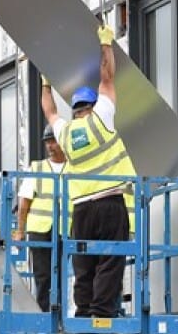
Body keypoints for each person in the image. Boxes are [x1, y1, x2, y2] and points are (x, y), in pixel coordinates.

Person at [40, 24, 136, 318]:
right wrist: (105, 43)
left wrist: (46, 84)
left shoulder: (66, 133)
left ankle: (83, 311)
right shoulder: (102, 119)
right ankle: (102, 311)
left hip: (80, 209)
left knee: (83, 261)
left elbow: (49, 111)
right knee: (110, 259)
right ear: (92, 105)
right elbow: (107, 77)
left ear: (75, 109)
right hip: (109, 203)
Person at [13, 124, 67, 312]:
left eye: (54, 141)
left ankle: (60, 314)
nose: (50, 146)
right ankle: (45, 314)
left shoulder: (74, 168)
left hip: (65, 229)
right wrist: (20, 231)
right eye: (47, 142)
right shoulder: (38, 167)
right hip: (39, 230)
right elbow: (24, 202)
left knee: (62, 274)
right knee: (43, 276)